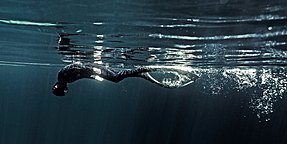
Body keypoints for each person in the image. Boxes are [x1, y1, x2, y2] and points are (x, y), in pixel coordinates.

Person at [52, 62, 198, 96]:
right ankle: (142, 72)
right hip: (94, 69)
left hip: (93, 65)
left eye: (64, 91)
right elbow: (83, 75)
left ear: (58, 87)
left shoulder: (62, 76)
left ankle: (143, 69)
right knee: (116, 78)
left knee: (116, 78)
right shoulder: (67, 80)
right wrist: (95, 76)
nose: (66, 89)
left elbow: (78, 66)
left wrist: (94, 71)